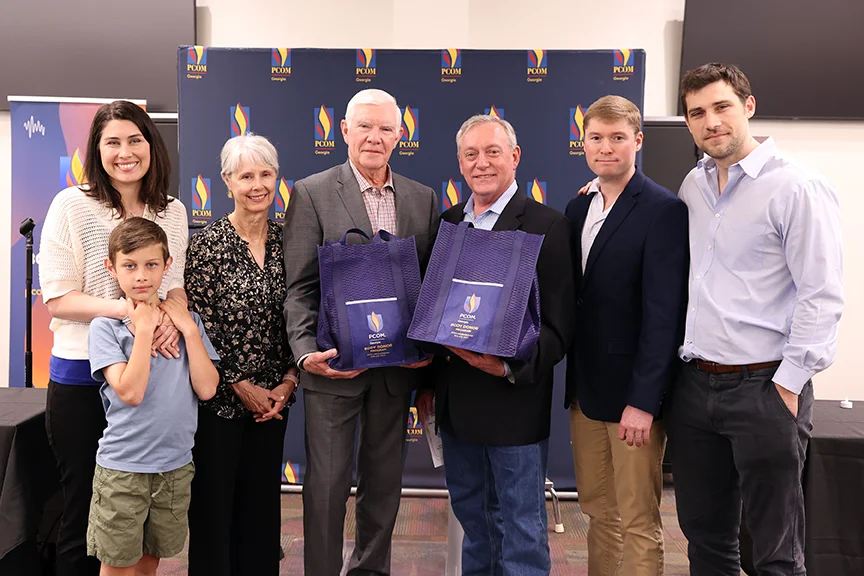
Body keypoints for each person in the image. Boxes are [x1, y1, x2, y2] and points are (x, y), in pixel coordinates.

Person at [669, 62, 843, 576]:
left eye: (721, 107)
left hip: (766, 388)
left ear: (748, 106)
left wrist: (787, 387)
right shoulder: (692, 185)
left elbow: (822, 295)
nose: (710, 121)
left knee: (776, 552)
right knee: (705, 542)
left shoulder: (798, 187)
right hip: (695, 389)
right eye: (697, 113)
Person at [282, 88, 438, 576]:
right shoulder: (311, 193)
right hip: (332, 370)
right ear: (344, 130)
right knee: (326, 489)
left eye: (385, 128)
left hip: (396, 371)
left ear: (399, 134)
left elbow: (430, 285)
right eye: (364, 126)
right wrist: (307, 353)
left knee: (384, 484)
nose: (375, 137)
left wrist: (426, 348)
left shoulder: (422, 197)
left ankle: (371, 571)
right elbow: (299, 287)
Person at [415, 114, 575, 575]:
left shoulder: (547, 226)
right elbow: (433, 314)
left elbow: (561, 326)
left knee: (522, 530)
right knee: (475, 525)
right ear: (460, 164)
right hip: (455, 407)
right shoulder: (448, 224)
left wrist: (506, 368)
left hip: (513, 406)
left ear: (515, 157)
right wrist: (426, 387)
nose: (481, 163)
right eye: (471, 154)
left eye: (492, 152)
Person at [38, 100, 189, 576]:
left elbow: (176, 287)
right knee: (82, 508)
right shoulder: (71, 204)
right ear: (97, 150)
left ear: (151, 145)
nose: (125, 153)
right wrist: (131, 311)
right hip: (83, 376)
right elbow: (59, 298)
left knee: (139, 521)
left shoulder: (174, 211)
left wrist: (168, 314)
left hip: (149, 381)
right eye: (112, 142)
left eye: (135, 140)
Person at [564, 95, 689, 576]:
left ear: (637, 141)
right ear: (584, 143)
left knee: (638, 518)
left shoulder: (663, 210)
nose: (606, 147)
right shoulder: (578, 208)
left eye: (618, 138)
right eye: (596, 137)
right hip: (586, 391)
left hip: (633, 398)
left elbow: (664, 316)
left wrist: (644, 400)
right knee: (598, 513)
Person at [184, 134, 299, 576]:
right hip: (220, 402)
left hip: (273, 403)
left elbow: (305, 313)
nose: (257, 184)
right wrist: (238, 383)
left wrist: (288, 383)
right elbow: (198, 325)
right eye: (246, 175)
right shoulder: (208, 245)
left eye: (265, 174)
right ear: (227, 181)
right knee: (214, 512)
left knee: (261, 514)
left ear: (277, 178)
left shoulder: (290, 241)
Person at [86, 218, 219, 576]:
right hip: (124, 468)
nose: (141, 276)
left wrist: (189, 330)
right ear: (111, 268)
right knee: (117, 566)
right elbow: (130, 392)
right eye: (130, 266)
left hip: (174, 466)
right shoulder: (105, 328)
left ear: (167, 265)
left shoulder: (186, 323)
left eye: (151, 265)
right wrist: (143, 329)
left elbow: (207, 389)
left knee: (149, 563)